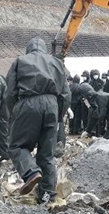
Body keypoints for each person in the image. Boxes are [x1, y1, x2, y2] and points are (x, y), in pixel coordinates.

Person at [5, 37, 70, 203]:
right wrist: (59, 117)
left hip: (28, 103)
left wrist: (15, 112)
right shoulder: (57, 63)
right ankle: (48, 197)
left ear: (29, 49)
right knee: (46, 155)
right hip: (52, 105)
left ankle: (31, 172)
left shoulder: (20, 61)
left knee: (17, 145)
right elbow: (65, 94)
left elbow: (10, 92)